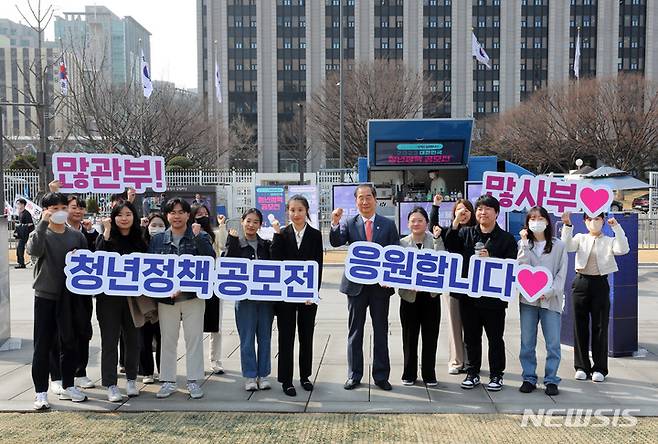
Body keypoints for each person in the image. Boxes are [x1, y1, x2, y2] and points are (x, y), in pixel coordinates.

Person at [329, 184, 400, 391]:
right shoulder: (350, 223)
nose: (365, 202)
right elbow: (335, 242)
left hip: (380, 288)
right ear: (356, 201)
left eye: (368, 197)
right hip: (355, 287)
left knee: (380, 331)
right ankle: (354, 375)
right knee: (355, 331)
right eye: (360, 198)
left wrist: (390, 276)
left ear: (375, 199)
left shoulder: (388, 225)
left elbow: (395, 253)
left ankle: (381, 376)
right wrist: (335, 222)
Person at [444, 195, 517, 392]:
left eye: (487, 209)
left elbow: (512, 266)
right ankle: (472, 372)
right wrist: (457, 221)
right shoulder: (466, 233)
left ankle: (496, 375)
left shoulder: (507, 239)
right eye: (479, 209)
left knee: (495, 338)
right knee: (471, 337)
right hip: (470, 298)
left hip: (494, 300)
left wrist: (491, 258)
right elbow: (450, 245)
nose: (482, 213)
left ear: (497, 213)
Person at [27, 192, 89, 410]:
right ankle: (40, 392)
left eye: (63, 207)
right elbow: (33, 250)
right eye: (54, 208)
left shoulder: (76, 236)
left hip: (70, 298)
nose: (60, 212)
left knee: (69, 342)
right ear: (46, 210)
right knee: (42, 345)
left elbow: (88, 263)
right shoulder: (40, 233)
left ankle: (69, 384)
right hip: (45, 296)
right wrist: (43, 223)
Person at [148, 197, 215, 399]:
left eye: (181, 212)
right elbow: (152, 267)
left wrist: (197, 238)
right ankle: (168, 381)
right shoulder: (158, 239)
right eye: (172, 212)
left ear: (188, 215)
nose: (176, 216)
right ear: (167, 215)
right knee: (167, 340)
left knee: (194, 339)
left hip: (192, 297)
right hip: (167, 299)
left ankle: (193, 381)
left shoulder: (198, 235)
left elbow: (210, 260)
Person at [561, 211, 629, 383]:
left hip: (600, 284)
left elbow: (623, 249)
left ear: (603, 220)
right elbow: (566, 246)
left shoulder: (608, 240)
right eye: (590, 219)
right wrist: (567, 225)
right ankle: (582, 366)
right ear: (585, 221)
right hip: (581, 282)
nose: (593, 222)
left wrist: (617, 228)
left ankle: (600, 368)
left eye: (597, 219)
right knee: (580, 326)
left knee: (600, 326)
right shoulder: (580, 237)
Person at [95, 201, 149, 402]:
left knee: (134, 341)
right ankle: (110, 384)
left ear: (134, 217)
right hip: (108, 299)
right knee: (109, 341)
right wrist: (106, 230)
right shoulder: (107, 237)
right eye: (119, 215)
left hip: (133, 300)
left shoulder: (140, 239)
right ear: (113, 217)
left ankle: (132, 380)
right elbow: (99, 255)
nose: (124, 218)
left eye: (128, 214)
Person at [270, 195, 324, 396]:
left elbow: (318, 265)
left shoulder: (315, 235)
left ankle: (305, 376)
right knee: (286, 337)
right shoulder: (282, 234)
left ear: (306, 211)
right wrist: (276, 235)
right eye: (292, 210)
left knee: (306, 336)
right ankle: (286, 380)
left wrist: (313, 292)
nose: (296, 214)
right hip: (286, 297)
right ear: (288, 212)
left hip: (307, 297)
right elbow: (275, 261)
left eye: (300, 210)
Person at [517, 206, 568, 396]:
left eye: (539, 218)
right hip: (528, 301)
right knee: (527, 341)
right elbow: (521, 268)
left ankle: (551, 379)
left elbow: (561, 274)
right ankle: (529, 377)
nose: (536, 221)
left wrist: (549, 291)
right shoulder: (524, 244)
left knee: (553, 342)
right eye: (532, 218)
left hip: (551, 301)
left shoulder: (559, 246)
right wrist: (523, 244)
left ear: (547, 221)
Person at [225, 208, 275, 392]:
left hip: (265, 300)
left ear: (260, 225)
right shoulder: (236, 243)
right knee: (246, 339)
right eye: (248, 221)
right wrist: (230, 240)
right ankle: (250, 375)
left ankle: (263, 374)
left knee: (265, 338)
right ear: (242, 222)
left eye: (256, 222)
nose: (251, 225)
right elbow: (227, 264)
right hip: (244, 300)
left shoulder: (266, 245)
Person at [430, 194, 476, 375]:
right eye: (459, 210)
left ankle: (472, 360)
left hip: (474, 285)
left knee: (472, 326)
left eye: (466, 210)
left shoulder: (478, 232)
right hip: (453, 284)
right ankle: (456, 361)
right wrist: (436, 205)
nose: (463, 213)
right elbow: (436, 229)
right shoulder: (450, 231)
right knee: (454, 324)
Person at [398, 207, 444, 386]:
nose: (416, 224)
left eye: (420, 220)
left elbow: (443, 261)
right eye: (413, 221)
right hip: (409, 297)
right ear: (408, 223)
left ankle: (429, 373)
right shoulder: (401, 243)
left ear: (427, 223)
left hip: (431, 297)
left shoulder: (435, 240)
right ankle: (409, 373)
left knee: (431, 335)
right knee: (409, 337)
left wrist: (438, 239)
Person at [65, 195, 98, 390]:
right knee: (66, 333)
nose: (78, 211)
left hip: (84, 291)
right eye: (74, 207)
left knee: (84, 330)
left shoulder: (89, 232)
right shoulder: (59, 230)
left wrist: (91, 232)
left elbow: (97, 253)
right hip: (64, 291)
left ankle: (81, 372)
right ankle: (64, 373)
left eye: (81, 208)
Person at [190, 204, 223, 375]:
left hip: (215, 282)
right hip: (196, 283)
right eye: (198, 214)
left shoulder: (214, 233)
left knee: (215, 325)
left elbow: (222, 247)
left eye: (205, 213)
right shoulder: (188, 233)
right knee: (194, 326)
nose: (202, 216)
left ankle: (215, 360)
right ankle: (196, 362)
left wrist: (222, 226)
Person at [138, 213, 167, 384]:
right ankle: (147, 371)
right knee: (144, 336)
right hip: (145, 299)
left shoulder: (168, 243)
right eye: (153, 225)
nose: (156, 228)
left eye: (160, 225)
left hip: (164, 298)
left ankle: (164, 370)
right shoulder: (142, 243)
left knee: (163, 336)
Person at [14, 198, 34, 269]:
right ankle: (20, 263)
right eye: (17, 204)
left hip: (26, 234)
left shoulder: (26, 213)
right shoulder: (20, 213)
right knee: (19, 249)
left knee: (22, 248)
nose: (17, 205)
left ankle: (22, 263)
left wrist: (21, 226)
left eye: (18, 203)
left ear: (23, 204)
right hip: (21, 234)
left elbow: (31, 224)